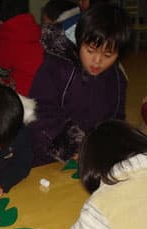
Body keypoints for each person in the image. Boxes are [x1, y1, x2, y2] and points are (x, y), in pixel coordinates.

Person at [29, 3, 129, 166]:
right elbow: (40, 113)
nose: (97, 61)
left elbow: (115, 121)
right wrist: (72, 146)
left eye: (108, 55)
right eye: (90, 51)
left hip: (91, 159)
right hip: (48, 159)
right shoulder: (56, 68)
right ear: (79, 40)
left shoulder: (117, 79)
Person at [0, 0, 43, 96]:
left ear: (0, 17)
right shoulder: (38, 29)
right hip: (47, 92)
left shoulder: (3, 37)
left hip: (23, 98)